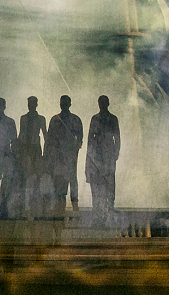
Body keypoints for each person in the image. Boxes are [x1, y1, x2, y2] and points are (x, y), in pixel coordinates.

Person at [45, 95, 83, 217]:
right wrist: (49, 154)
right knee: (60, 178)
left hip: (70, 155)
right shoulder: (55, 120)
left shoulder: (75, 119)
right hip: (58, 155)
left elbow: (80, 138)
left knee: (72, 177)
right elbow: (49, 139)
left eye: (66, 102)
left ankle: (74, 203)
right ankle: (60, 204)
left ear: (69, 104)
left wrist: (74, 149)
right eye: (63, 102)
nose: (64, 105)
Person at [86, 96, 120, 227]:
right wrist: (91, 156)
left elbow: (117, 137)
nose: (102, 105)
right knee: (97, 183)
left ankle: (110, 206)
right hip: (97, 155)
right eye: (100, 102)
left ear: (108, 104)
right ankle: (97, 209)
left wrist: (115, 152)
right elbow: (90, 138)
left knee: (110, 181)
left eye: (104, 102)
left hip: (109, 154)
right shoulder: (95, 119)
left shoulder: (113, 119)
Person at [16, 96, 47, 220]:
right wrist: (18, 149)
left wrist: (46, 153)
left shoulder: (41, 119)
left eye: (33, 103)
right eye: (29, 103)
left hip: (35, 149)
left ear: (36, 104)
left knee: (37, 177)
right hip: (26, 149)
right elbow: (21, 133)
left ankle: (35, 206)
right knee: (25, 176)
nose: (31, 105)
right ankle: (25, 205)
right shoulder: (23, 118)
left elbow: (45, 135)